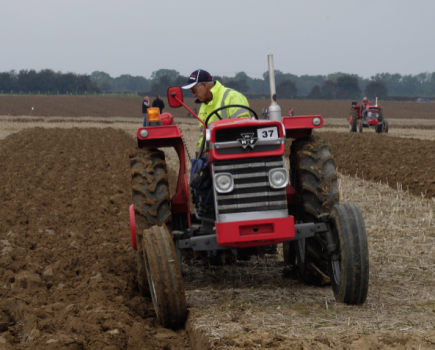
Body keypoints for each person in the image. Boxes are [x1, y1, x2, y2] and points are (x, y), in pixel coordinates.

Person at [181, 69, 250, 151]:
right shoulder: (204, 105)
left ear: (204, 85)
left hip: (233, 152)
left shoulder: (233, 97)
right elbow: (203, 136)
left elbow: (245, 129)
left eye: (194, 91)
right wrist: (200, 151)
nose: (193, 95)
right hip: (211, 154)